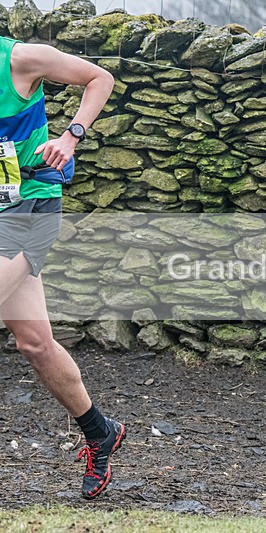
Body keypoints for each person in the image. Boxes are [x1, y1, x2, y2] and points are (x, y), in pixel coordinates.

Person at [0, 36, 124, 498]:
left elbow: (100, 78)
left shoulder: (20, 59)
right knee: (35, 343)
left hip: (28, 212)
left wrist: (71, 136)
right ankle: (100, 431)